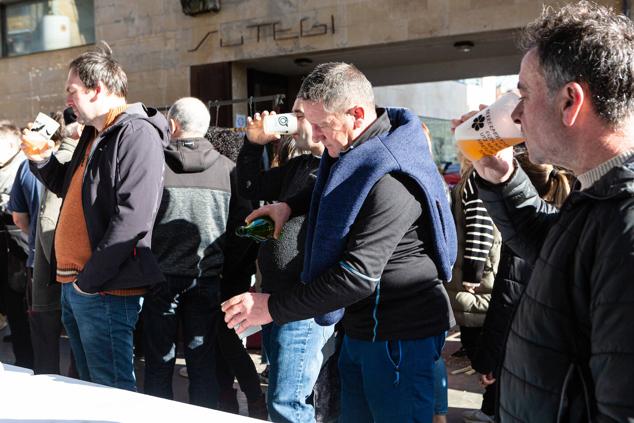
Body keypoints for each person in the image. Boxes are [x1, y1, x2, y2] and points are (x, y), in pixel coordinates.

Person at [223, 62, 457, 422]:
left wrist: (271, 307)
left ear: (357, 114)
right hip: (363, 330)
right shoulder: (357, 148)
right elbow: (337, 190)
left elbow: (357, 276)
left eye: (322, 125)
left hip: (397, 339)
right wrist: (289, 204)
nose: (315, 136)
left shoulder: (391, 172)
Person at [457, 2, 634, 420]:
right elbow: (555, 249)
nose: (515, 114)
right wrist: (499, 175)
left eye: (524, 94)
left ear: (570, 101)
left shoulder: (626, 218)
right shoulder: (600, 196)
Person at [23, 43, 169, 390]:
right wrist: (41, 159)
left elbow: (132, 219)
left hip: (102, 289)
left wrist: (88, 283)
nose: (68, 100)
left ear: (97, 89)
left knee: (111, 391)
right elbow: (66, 186)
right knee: (91, 390)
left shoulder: (135, 134)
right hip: (83, 287)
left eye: (72, 91)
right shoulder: (96, 133)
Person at [142, 97, 264, 415]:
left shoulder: (153, 167)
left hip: (160, 278)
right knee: (202, 364)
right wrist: (227, 265)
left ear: (172, 125)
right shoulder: (228, 170)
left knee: (159, 363)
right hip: (206, 278)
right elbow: (246, 229)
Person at [236, 101, 334, 423]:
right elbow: (249, 185)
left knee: (288, 403)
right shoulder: (301, 165)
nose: (293, 121)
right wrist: (253, 144)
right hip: (279, 302)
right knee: (284, 397)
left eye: (300, 115)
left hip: (303, 305)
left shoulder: (338, 168)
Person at [466, 150, 572, 422]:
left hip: (523, 363)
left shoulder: (527, 239)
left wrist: (488, 361)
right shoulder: (572, 225)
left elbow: (507, 302)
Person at [29, 109, 80, 375]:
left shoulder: (67, 156)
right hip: (57, 272)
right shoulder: (67, 158)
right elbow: (47, 221)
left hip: (55, 271)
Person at [1, 122, 35, 368]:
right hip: (9, 256)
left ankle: (27, 366)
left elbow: (21, 219)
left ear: (12, 145)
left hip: (20, 257)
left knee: (22, 318)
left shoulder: (23, 168)